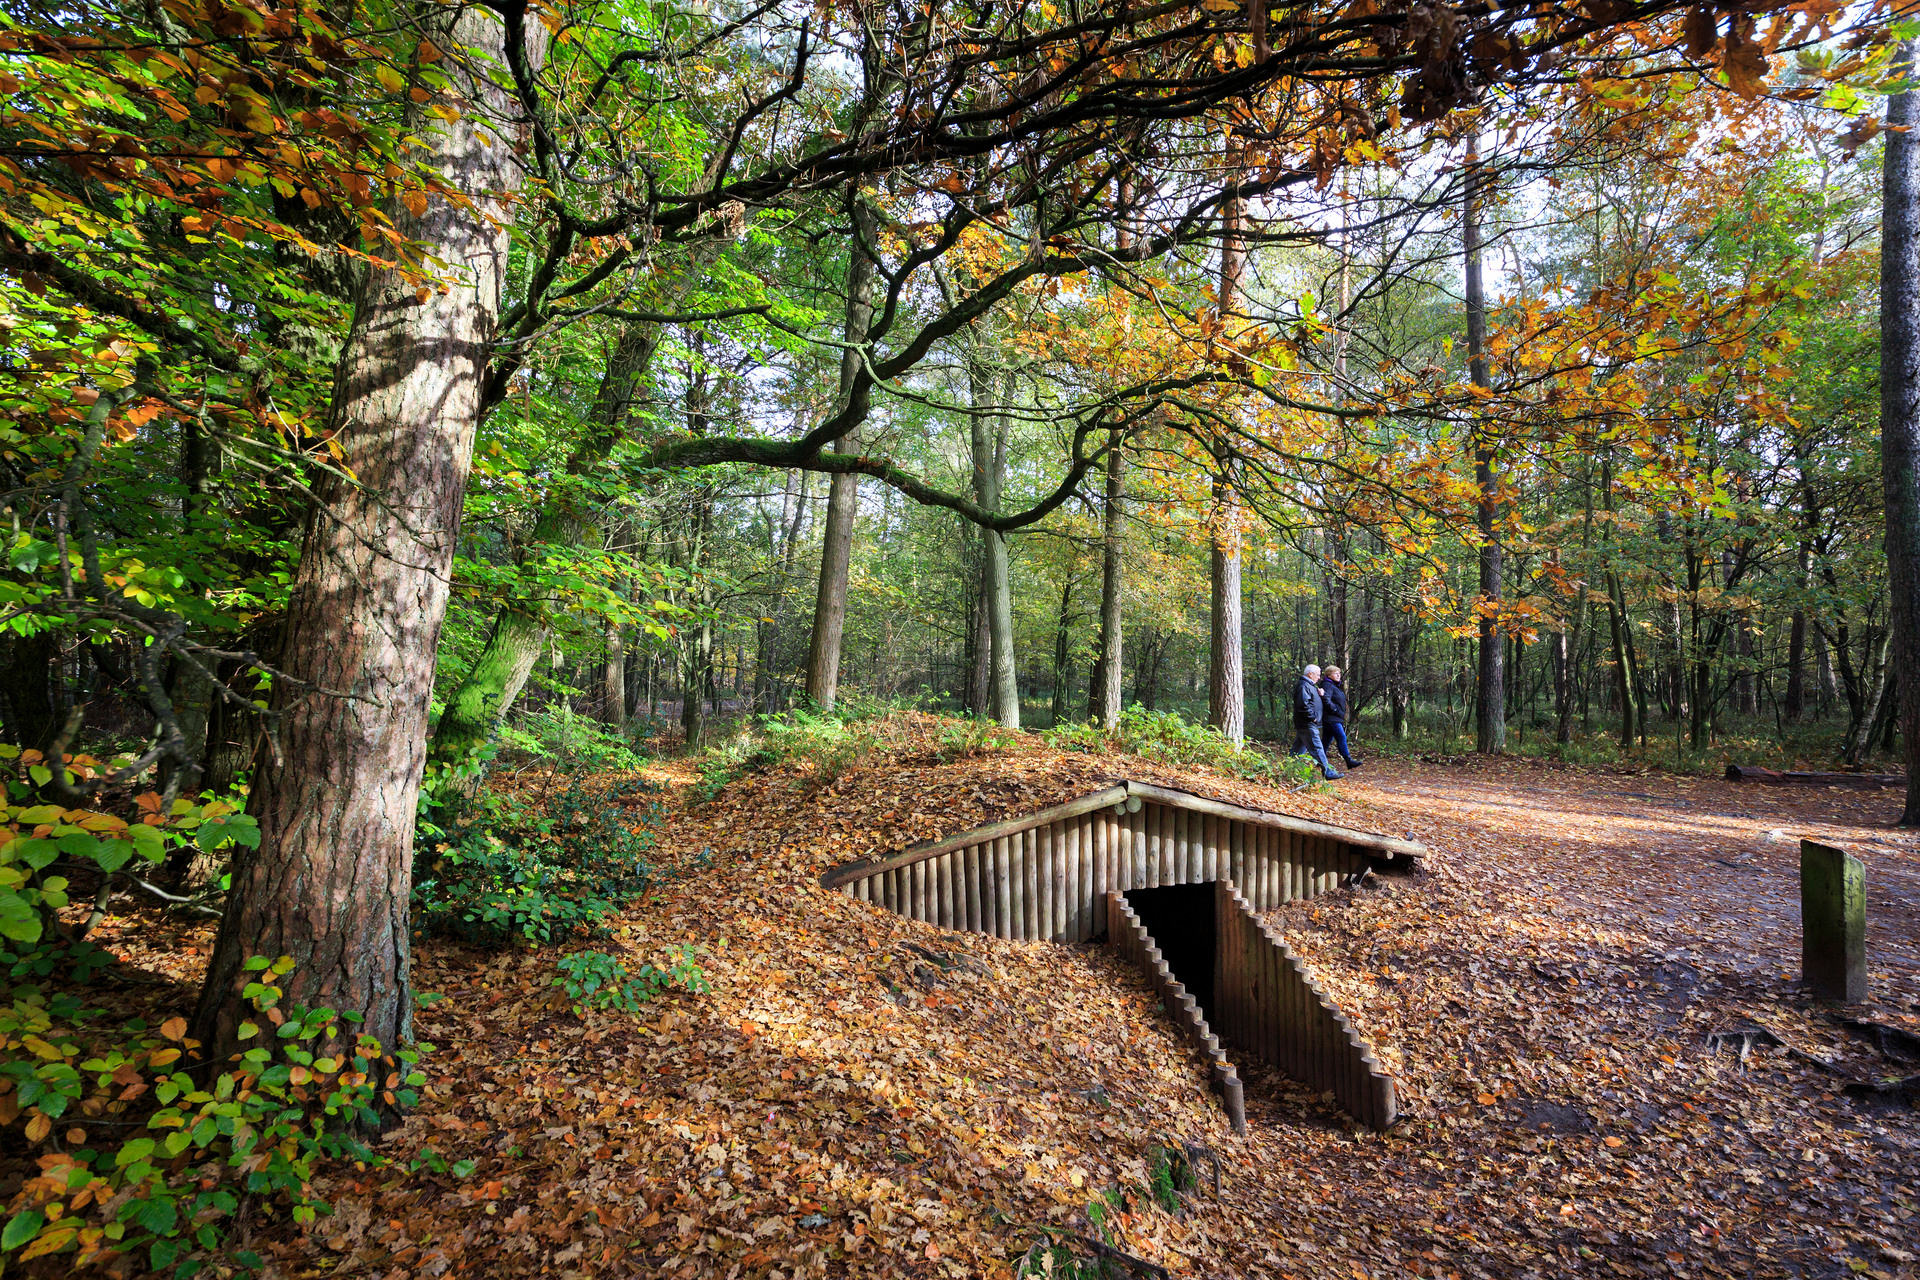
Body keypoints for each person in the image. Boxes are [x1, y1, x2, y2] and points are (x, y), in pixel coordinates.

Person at [1290, 663, 1342, 780]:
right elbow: (1303, 705)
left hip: (1306, 723)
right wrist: (1312, 717)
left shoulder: (1309, 686)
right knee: (1317, 748)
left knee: (1297, 750)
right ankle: (1327, 771)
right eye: (1317, 675)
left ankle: (1289, 770)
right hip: (1307, 723)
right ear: (1310, 674)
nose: (1319, 677)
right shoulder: (1304, 686)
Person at [1318, 665, 1360, 770]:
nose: (1338, 675)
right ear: (1329, 675)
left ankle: (1320, 761)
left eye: (1339, 673)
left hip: (1335, 718)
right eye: (1335, 673)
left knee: (1326, 740)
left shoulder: (1334, 685)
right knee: (1341, 737)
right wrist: (1336, 711)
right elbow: (1326, 700)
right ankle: (1348, 760)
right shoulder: (1328, 685)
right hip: (1332, 718)